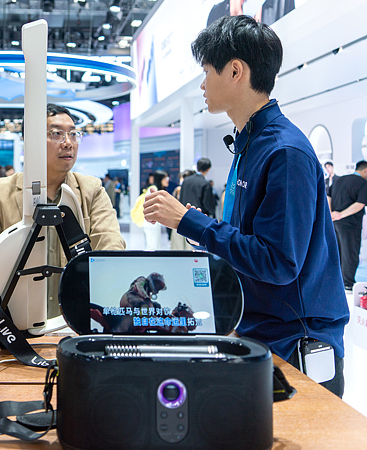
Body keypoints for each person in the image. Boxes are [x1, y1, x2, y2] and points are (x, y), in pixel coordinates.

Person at [143, 15, 348, 396]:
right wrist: (203, 232)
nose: (203, 84)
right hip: (257, 331)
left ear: (235, 71)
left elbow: (279, 262)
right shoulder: (248, 143)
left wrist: (190, 222)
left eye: (207, 71)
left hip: (295, 343)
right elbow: (247, 241)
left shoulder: (284, 152)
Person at [0, 104, 126, 324]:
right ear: (30, 141)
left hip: (74, 323)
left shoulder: (91, 190)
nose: (68, 142)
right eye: (56, 134)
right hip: (13, 325)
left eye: (73, 133)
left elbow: (110, 244)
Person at [329, 160, 367, 291]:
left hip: (334, 222)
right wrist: (341, 214)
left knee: (337, 252)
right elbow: (360, 204)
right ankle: (348, 283)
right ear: (365, 170)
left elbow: (328, 196)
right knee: (350, 253)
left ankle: (337, 282)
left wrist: (331, 214)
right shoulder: (363, 183)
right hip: (350, 224)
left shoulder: (339, 180)